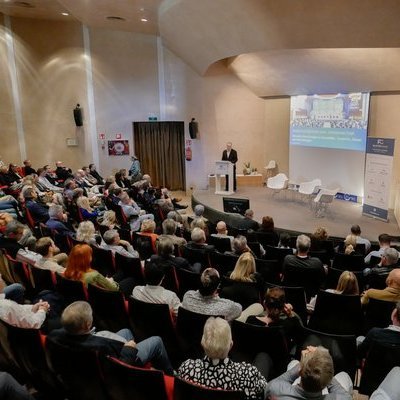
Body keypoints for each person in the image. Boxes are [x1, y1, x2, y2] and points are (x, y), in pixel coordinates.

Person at [48, 301, 174, 375]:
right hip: (125, 360)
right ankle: (170, 374)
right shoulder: (99, 347)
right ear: (87, 324)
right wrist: (129, 349)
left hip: (100, 348)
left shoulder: (54, 335)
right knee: (156, 340)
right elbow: (118, 369)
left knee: (126, 331)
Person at [178, 317, 270, 400]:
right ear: (231, 345)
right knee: (263, 357)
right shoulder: (248, 374)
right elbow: (265, 388)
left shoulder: (186, 368)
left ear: (202, 343)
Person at [265, 345, 353, 399]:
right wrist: (324, 365)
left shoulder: (274, 389)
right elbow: (346, 396)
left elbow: (274, 383)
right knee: (344, 375)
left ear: (300, 372)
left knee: (293, 362)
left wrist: (302, 363)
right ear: (328, 380)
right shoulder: (342, 398)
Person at [282, 234, 326, 300]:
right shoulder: (317, 263)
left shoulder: (288, 259)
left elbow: (284, 275)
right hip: (309, 297)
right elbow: (321, 281)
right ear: (309, 248)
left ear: (297, 246)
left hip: (289, 296)